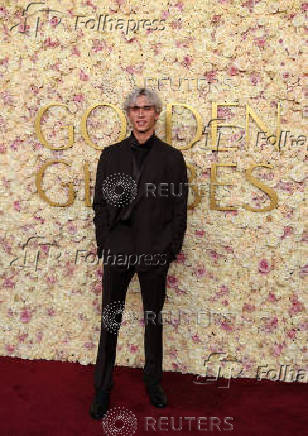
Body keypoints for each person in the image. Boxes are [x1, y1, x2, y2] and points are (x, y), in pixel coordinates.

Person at [89, 87, 188, 420]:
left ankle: (153, 383)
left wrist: (169, 249)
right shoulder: (110, 155)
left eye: (147, 108)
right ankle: (102, 389)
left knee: (153, 320)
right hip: (118, 248)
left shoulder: (173, 158)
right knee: (110, 321)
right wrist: (105, 241)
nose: (141, 114)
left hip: (154, 251)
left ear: (157, 114)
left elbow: (179, 209)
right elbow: (100, 204)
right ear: (128, 114)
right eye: (135, 108)